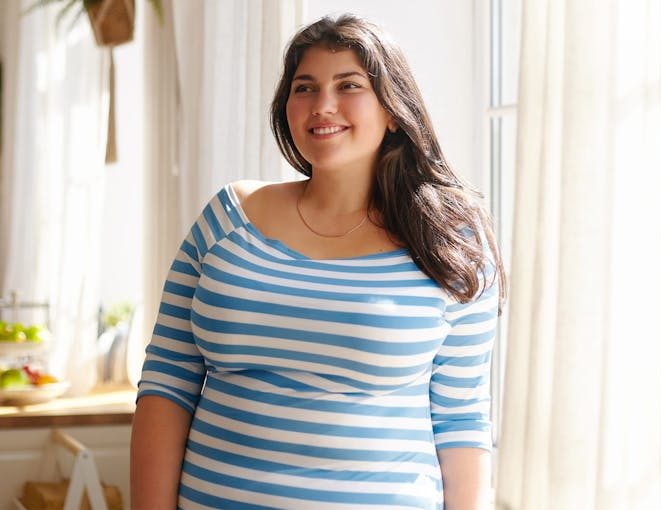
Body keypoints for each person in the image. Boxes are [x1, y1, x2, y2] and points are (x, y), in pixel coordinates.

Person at [130, 14, 505, 510]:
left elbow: (461, 416)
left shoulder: (451, 241)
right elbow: (166, 384)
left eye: (348, 85)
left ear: (393, 110)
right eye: (304, 87)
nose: (322, 105)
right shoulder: (226, 220)